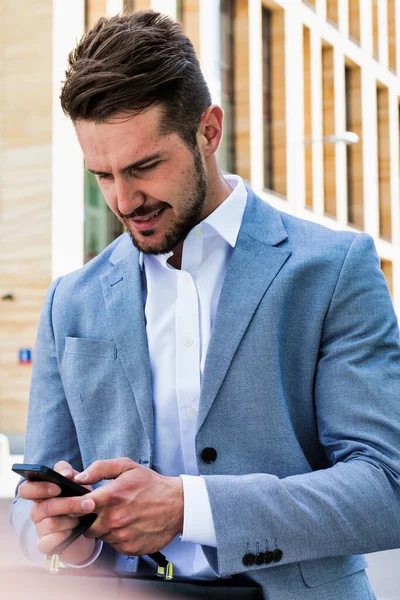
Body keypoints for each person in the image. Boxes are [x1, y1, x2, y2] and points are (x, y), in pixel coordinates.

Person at [11, 10, 400, 599]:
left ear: (208, 131)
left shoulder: (332, 269)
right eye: (102, 176)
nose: (124, 200)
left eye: (144, 166)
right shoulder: (73, 299)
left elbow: (386, 486)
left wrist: (190, 507)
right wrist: (65, 527)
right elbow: (34, 505)